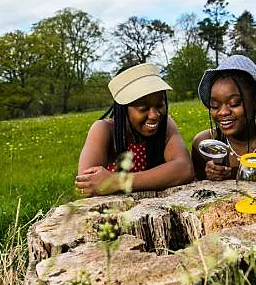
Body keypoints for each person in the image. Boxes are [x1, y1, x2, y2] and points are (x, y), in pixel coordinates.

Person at [75, 63, 194, 195]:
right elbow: (87, 184)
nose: (154, 115)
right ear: (123, 109)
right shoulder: (104, 130)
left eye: (160, 105)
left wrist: (116, 182)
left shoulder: (166, 124)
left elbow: (184, 168)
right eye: (143, 108)